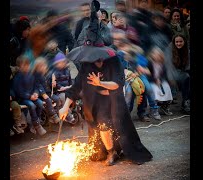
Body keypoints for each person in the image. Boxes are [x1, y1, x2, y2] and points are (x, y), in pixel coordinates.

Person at [59, 0, 152, 166]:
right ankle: (110, 150)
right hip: (94, 101)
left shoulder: (113, 60)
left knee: (106, 125)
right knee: (99, 132)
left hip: (113, 99)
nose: (91, 58)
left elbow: (117, 84)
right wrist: (65, 106)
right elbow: (76, 86)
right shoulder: (87, 64)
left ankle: (112, 152)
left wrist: (99, 83)